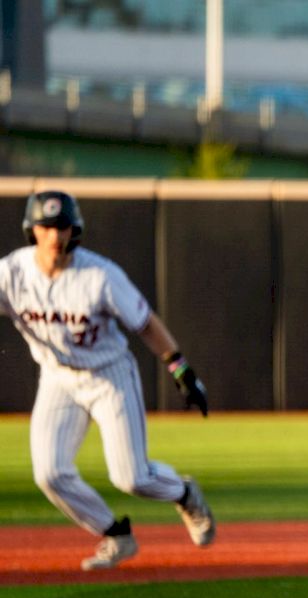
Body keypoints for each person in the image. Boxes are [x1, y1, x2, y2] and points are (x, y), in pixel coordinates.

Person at [0, 191, 215, 571]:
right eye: (46, 226)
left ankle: (183, 493)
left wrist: (181, 371)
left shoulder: (99, 275)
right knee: (49, 472)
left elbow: (146, 323)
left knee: (131, 477)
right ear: (31, 229)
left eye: (61, 226)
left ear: (74, 230)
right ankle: (115, 533)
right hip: (57, 378)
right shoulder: (12, 273)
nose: (54, 235)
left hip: (109, 376)